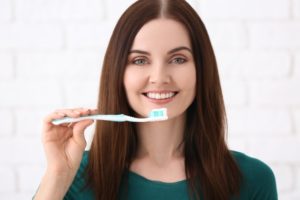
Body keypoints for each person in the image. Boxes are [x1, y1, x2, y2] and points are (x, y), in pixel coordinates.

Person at [33, 0, 278, 199]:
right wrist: (57, 175)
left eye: (178, 59)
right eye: (140, 61)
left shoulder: (252, 180)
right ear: (118, 74)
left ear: (201, 71)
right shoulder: (75, 175)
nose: (159, 78)